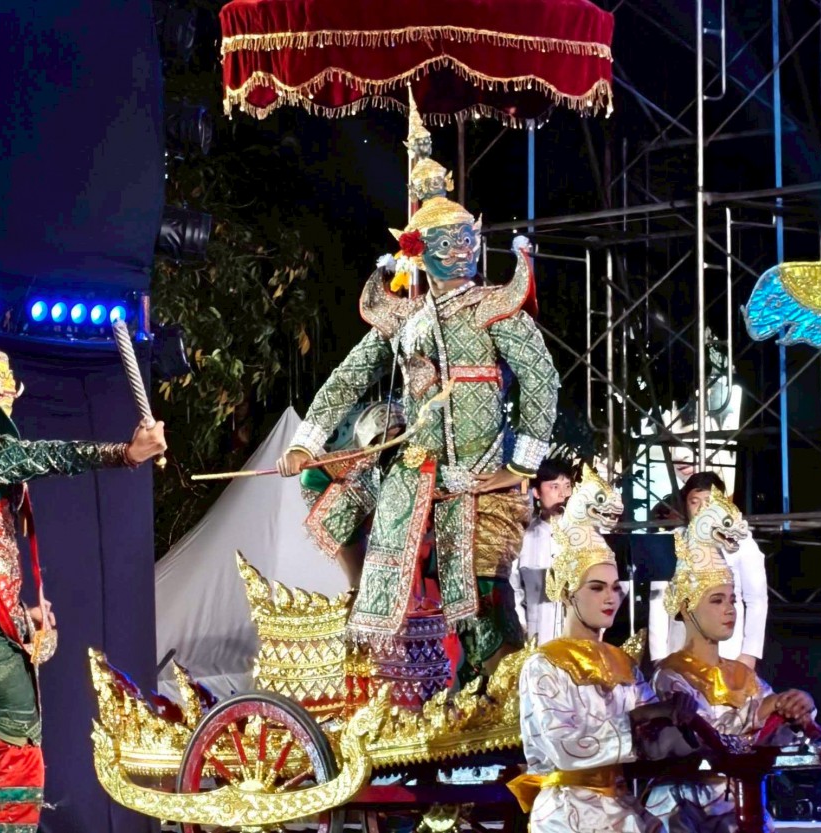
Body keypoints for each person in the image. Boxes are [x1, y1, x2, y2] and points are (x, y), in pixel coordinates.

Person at [276, 102, 559, 684]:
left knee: (482, 603)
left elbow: (541, 378)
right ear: (418, 250)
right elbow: (349, 377)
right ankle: (362, 598)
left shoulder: (493, 308)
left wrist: (520, 465)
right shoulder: (405, 319)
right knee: (320, 483)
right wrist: (306, 443)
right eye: (447, 242)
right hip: (414, 470)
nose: (462, 250)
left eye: (467, 238)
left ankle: (504, 695)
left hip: (478, 480)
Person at [0, 343, 166, 833]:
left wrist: (21, 615)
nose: (7, 391)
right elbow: (52, 456)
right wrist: (127, 453)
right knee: (16, 764)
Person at [508, 483, 697, 833]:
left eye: (614, 588)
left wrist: (683, 720)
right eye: (596, 588)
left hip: (621, 804)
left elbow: (654, 744)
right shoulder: (544, 665)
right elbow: (564, 748)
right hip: (567, 810)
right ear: (567, 592)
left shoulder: (623, 664)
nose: (610, 598)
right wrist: (639, 717)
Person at [645, 487, 816, 832]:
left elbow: (774, 733)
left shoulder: (742, 673)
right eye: (717, 600)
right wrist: (764, 712)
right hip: (683, 807)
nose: (729, 610)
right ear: (687, 607)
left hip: (740, 800)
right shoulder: (671, 675)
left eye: (732, 599)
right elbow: (708, 736)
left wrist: (796, 708)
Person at [649, 471, 768, 669]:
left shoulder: (741, 542)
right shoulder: (671, 542)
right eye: (694, 502)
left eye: (709, 501)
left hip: (729, 650)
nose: (702, 509)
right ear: (685, 505)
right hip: (679, 648)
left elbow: (756, 599)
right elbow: (658, 600)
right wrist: (658, 656)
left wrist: (750, 653)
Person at [299, 401, 407, 587]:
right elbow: (311, 476)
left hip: (413, 548)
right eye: (385, 437)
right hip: (369, 547)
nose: (393, 441)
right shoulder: (358, 476)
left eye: (399, 435)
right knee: (360, 583)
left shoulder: (417, 466)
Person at [509, 460, 573, 645]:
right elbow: (514, 588)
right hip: (537, 636)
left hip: (576, 637)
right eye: (554, 486)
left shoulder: (583, 535)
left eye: (567, 486)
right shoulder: (524, 536)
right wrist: (522, 624)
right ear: (537, 492)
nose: (563, 494)